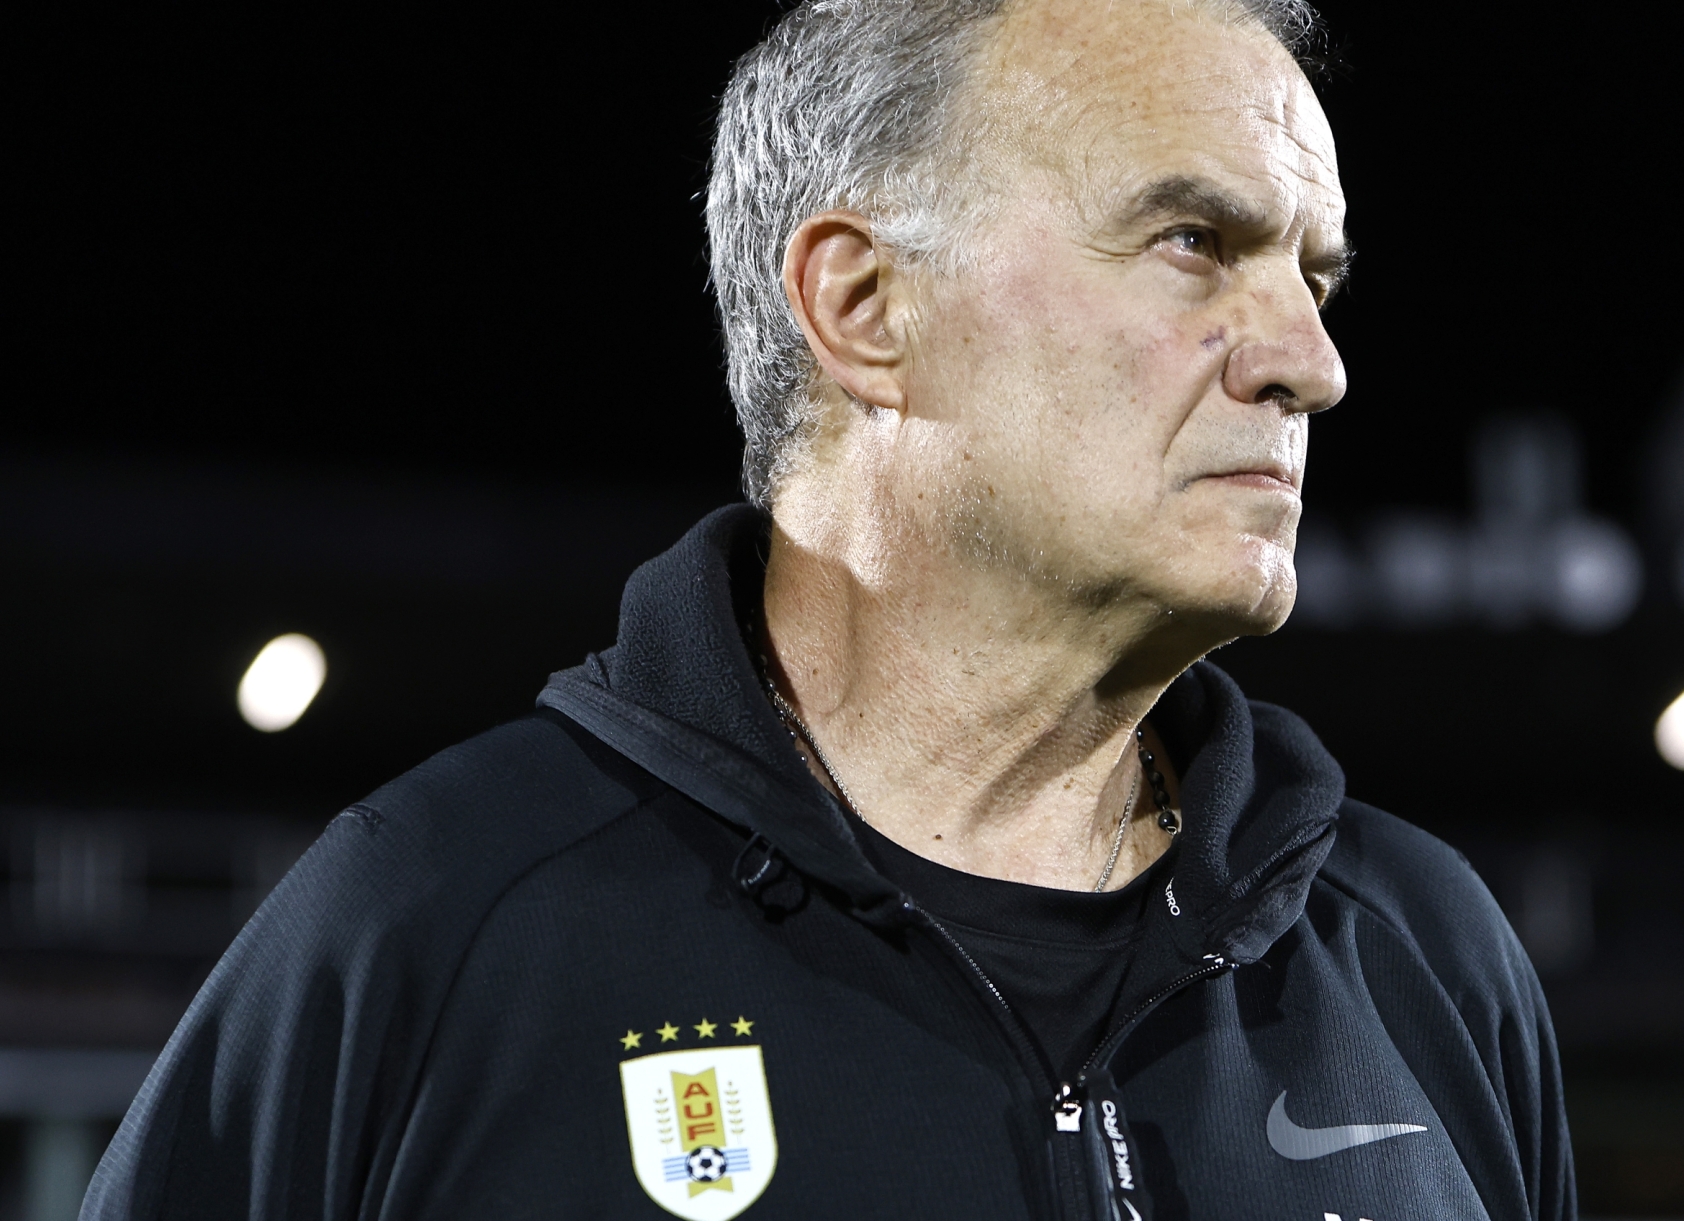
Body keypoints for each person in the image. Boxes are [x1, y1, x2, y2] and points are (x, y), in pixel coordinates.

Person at [87, 0, 1574, 1217]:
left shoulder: (1425, 952)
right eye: (1197, 240)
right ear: (863, 308)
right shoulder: (430, 927)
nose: (1311, 363)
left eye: (1315, 276)